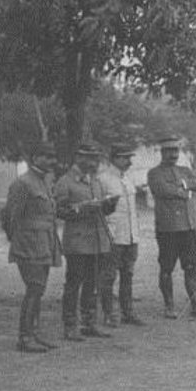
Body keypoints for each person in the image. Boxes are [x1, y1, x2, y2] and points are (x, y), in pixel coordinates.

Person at [2, 141, 62, 353]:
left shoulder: (43, 182)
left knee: (39, 289)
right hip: (28, 245)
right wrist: (19, 241)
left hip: (44, 243)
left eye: (53, 156)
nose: (51, 160)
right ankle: (25, 337)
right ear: (34, 158)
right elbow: (10, 217)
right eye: (46, 156)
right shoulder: (23, 183)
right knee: (34, 288)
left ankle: (33, 333)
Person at [55, 143, 118, 341]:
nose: (94, 162)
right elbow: (59, 210)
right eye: (89, 158)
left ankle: (89, 323)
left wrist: (109, 205)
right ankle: (70, 325)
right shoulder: (65, 182)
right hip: (77, 241)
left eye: (96, 158)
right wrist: (81, 209)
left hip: (96, 240)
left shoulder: (95, 181)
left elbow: (101, 209)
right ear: (78, 157)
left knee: (92, 284)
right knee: (74, 283)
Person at [147, 136, 196, 319]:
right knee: (166, 268)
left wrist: (183, 185)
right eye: (169, 151)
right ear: (162, 152)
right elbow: (162, 190)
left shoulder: (185, 170)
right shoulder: (154, 173)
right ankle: (169, 306)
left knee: (191, 267)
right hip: (168, 229)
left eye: (175, 151)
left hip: (188, 227)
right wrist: (185, 192)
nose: (173, 155)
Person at [98, 143, 144, 326]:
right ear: (114, 158)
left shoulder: (128, 179)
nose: (129, 162)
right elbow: (101, 209)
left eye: (130, 158)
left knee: (128, 274)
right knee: (108, 276)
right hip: (113, 236)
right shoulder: (103, 180)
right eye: (125, 158)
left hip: (131, 235)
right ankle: (109, 313)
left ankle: (128, 312)